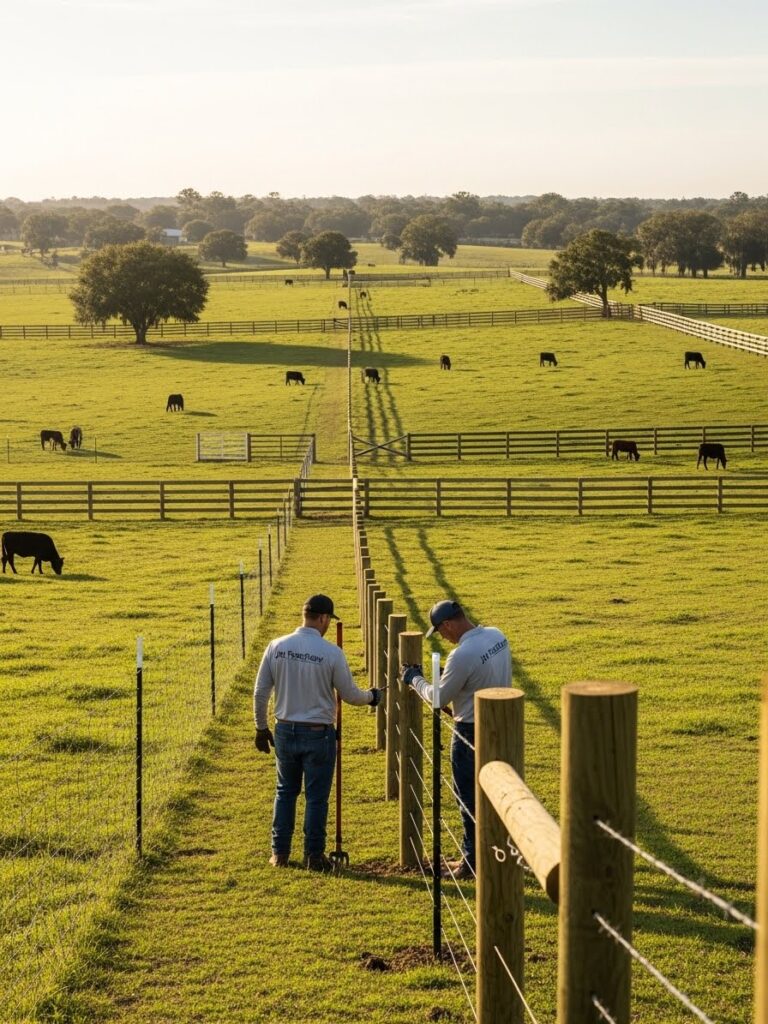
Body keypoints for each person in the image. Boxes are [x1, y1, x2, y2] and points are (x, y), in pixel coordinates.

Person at [254, 594, 381, 872]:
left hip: (285, 730)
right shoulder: (331, 653)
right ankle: (314, 855)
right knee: (316, 797)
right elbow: (348, 695)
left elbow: (261, 691)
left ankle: (279, 853)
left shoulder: (276, 647)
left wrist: (261, 727)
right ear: (323, 619)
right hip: (319, 734)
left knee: (285, 791)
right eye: (327, 621)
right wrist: (372, 697)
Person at [401, 599, 511, 879]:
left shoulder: (462, 655)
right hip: (503, 726)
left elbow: (438, 698)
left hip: (470, 732)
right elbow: (479, 678)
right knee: (499, 794)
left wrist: (414, 679)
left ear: (448, 624)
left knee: (468, 799)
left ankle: (471, 862)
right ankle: (500, 852)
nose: (444, 638)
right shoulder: (497, 636)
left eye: (440, 632)